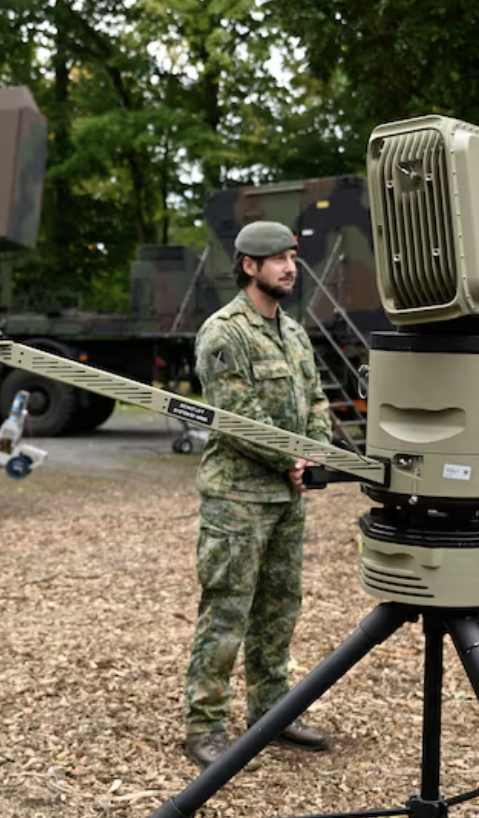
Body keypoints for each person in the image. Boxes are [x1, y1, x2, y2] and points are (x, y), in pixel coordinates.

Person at [182, 220, 333, 769]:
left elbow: (316, 400)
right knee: (227, 610)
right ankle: (204, 725)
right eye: (277, 259)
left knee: (279, 609)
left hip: (285, 499)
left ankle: (272, 713)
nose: (290, 267)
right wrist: (290, 460)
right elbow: (237, 417)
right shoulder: (225, 332)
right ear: (249, 265)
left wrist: (315, 456)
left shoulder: (293, 332)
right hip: (238, 498)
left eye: (292, 257)